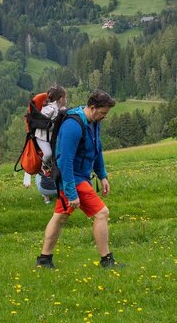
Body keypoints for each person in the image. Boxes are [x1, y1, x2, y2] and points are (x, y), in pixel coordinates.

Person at [36, 90, 121, 269]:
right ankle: (107, 260)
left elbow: (97, 150)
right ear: (92, 107)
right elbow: (64, 161)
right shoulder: (73, 126)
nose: (104, 117)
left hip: (80, 177)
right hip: (72, 178)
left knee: (60, 216)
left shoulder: (94, 122)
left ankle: (44, 260)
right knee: (102, 213)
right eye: (103, 113)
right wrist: (71, 192)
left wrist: (102, 175)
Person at [23, 86, 67, 203]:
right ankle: (42, 169)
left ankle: (52, 190)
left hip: (51, 138)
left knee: (55, 159)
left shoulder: (61, 108)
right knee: (48, 153)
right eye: (65, 97)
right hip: (41, 137)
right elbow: (41, 119)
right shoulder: (50, 108)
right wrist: (52, 123)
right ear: (61, 98)